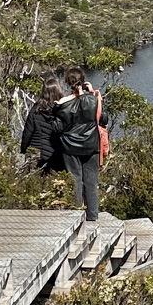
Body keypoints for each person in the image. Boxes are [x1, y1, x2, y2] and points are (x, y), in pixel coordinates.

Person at [56, 66, 104, 222]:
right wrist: (91, 93)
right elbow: (104, 119)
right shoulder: (93, 99)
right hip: (92, 145)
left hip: (70, 147)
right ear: (83, 81)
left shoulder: (63, 104)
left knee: (75, 179)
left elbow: (57, 127)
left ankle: (76, 216)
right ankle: (93, 216)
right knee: (91, 181)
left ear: (68, 83)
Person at [19, 77, 67, 174]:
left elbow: (27, 134)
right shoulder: (63, 110)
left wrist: (23, 150)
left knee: (35, 184)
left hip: (36, 154)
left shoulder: (35, 110)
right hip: (56, 155)